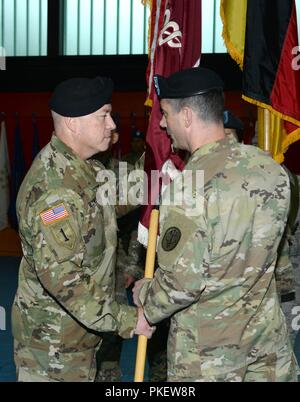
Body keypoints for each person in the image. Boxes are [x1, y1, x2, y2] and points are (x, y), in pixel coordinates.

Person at [133, 67, 298, 382]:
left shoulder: (187, 189)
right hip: (266, 342)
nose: (163, 123)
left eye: (166, 113)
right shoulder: (271, 169)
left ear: (188, 116)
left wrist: (145, 296)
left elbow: (182, 285)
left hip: (208, 355)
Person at [12, 76, 154, 382]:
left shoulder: (84, 168)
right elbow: (68, 284)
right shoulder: (53, 193)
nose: (112, 125)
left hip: (76, 339)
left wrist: (165, 172)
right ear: (73, 124)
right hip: (53, 349)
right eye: (103, 115)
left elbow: (118, 192)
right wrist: (130, 320)